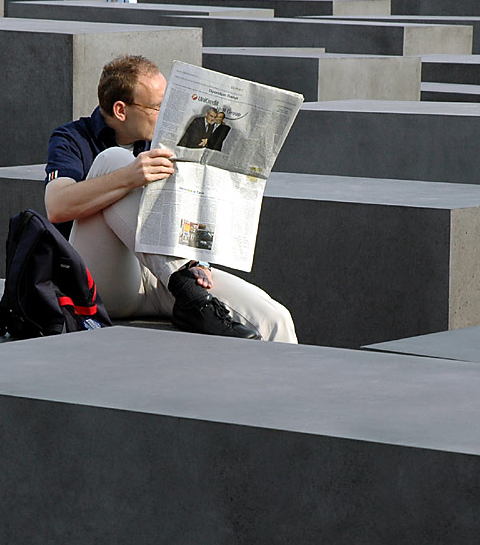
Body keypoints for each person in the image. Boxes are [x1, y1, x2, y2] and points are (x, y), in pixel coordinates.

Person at [44, 55, 297, 342]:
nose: (167, 112)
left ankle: (283, 385)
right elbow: (56, 206)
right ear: (121, 110)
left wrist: (200, 262)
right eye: (157, 106)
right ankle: (184, 286)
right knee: (112, 159)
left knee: (274, 318)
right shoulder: (73, 137)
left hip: (167, 276)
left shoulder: (165, 137)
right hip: (105, 279)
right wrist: (130, 176)